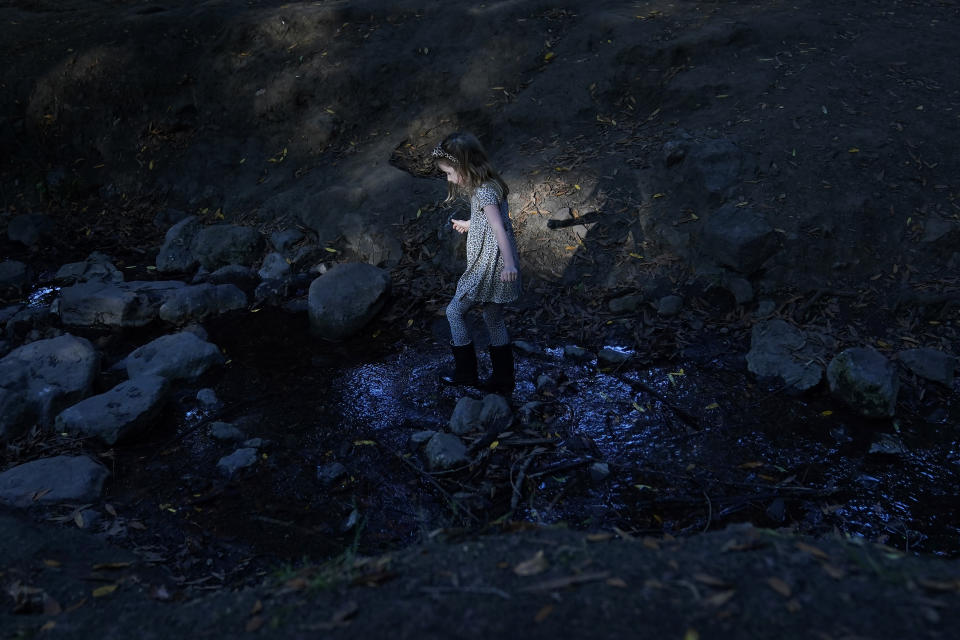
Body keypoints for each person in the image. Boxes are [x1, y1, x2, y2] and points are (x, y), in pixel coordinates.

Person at [431, 132, 520, 394]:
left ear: (462, 166)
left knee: (454, 312)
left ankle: (466, 373)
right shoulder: (489, 185)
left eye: (448, 173)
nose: (448, 179)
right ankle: (503, 380)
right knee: (493, 317)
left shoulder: (483, 192)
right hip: (494, 262)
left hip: (488, 266)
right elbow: (490, 221)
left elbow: (499, 227)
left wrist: (510, 265)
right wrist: (471, 224)